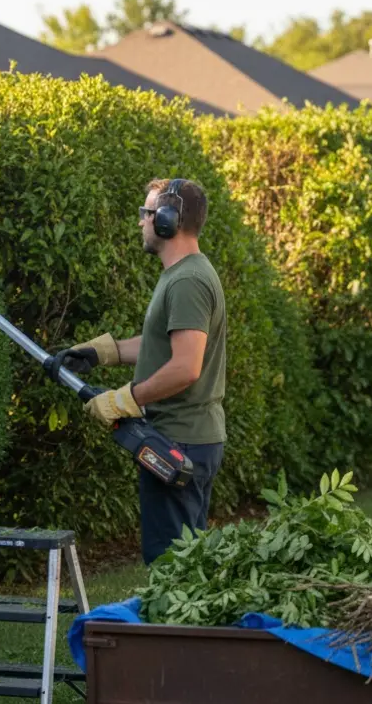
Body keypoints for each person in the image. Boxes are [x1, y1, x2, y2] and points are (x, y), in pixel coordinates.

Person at [51, 178, 227, 566]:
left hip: (182, 440)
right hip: (187, 437)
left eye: (146, 214)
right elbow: (167, 347)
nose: (140, 223)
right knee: (188, 565)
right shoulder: (182, 274)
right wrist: (103, 353)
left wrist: (124, 399)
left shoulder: (188, 281)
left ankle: (171, 630)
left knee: (172, 569)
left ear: (167, 220)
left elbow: (185, 367)